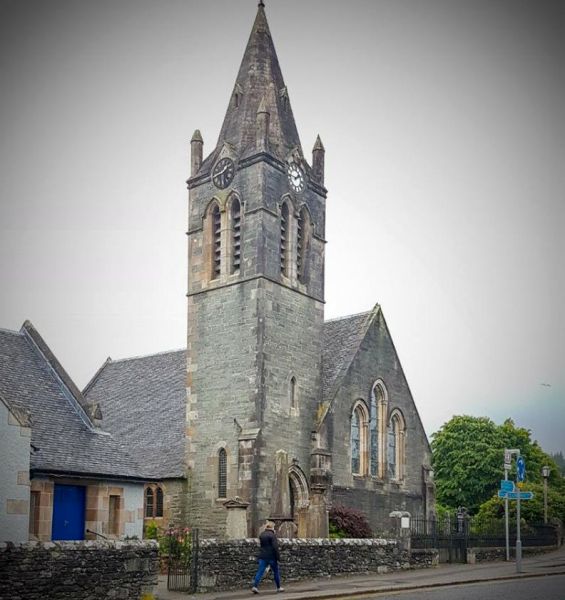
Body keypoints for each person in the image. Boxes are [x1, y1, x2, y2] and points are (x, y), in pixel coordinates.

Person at [251, 521, 284, 594]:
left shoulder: (262, 534)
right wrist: (278, 558)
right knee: (276, 572)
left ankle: (255, 586)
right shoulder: (272, 535)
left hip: (263, 556)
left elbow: (262, 546)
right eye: (274, 527)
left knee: (260, 572)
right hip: (272, 557)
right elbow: (275, 547)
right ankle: (278, 587)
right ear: (272, 528)